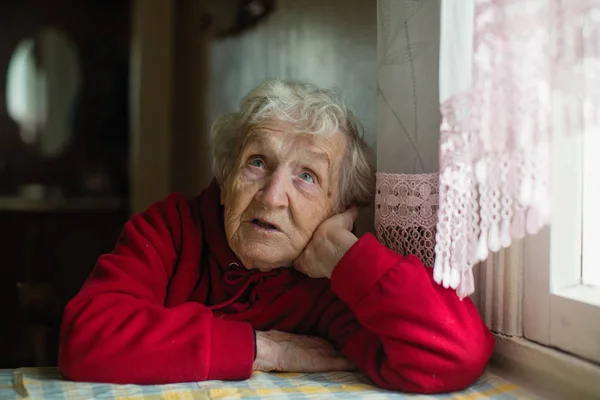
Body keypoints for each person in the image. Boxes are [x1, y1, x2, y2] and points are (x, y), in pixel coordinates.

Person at [58, 80, 494, 394]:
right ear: (227, 175)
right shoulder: (170, 229)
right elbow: (85, 337)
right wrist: (260, 349)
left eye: (307, 176)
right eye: (257, 163)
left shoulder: (327, 289)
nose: (272, 197)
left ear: (337, 208)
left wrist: (347, 259)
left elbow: (453, 353)